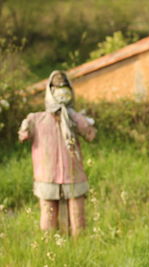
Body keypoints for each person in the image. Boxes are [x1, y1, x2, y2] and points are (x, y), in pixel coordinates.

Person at [18, 70, 96, 236]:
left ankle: (79, 248)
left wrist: (80, 119)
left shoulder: (74, 118)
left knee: (77, 215)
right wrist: (25, 127)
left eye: (65, 88)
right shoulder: (36, 119)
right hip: (47, 174)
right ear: (50, 91)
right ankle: (49, 249)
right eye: (57, 88)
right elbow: (23, 136)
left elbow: (90, 134)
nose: (61, 93)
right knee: (48, 214)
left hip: (73, 173)